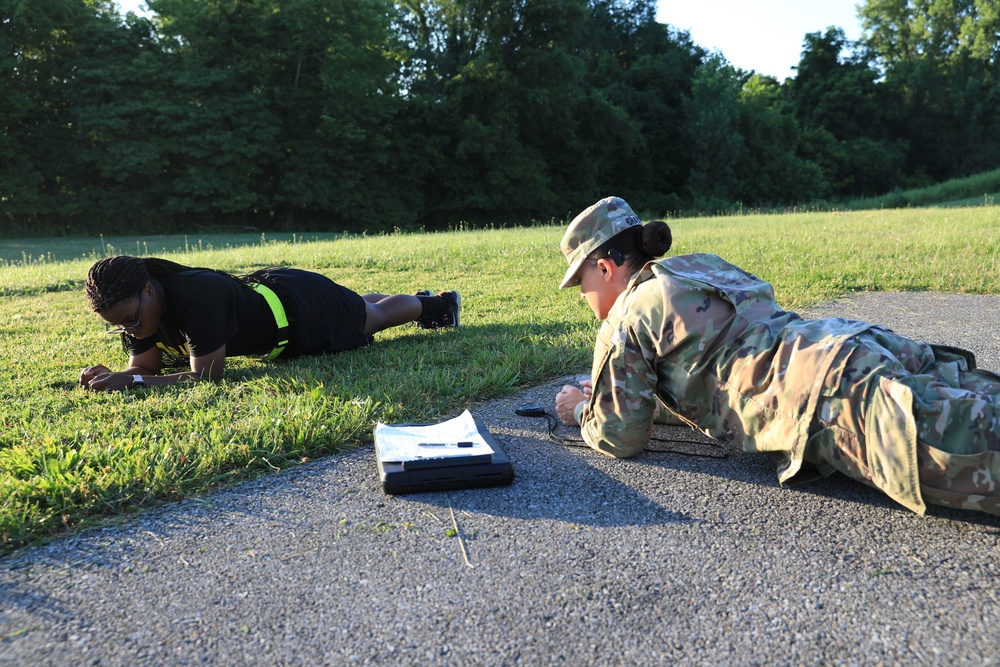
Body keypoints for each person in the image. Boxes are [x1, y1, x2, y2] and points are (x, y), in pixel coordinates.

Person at [554, 196, 1000, 517]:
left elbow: (618, 436)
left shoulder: (627, 316)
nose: (585, 295)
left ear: (606, 268)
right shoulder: (700, 266)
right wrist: (628, 396)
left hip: (834, 398)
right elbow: (711, 370)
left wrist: (580, 410)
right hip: (852, 345)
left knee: (978, 458)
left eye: (582, 283)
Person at [80, 255, 460, 392]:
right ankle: (423, 299)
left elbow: (207, 378)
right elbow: (145, 366)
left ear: (148, 290)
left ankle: (439, 305)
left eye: (131, 319)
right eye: (119, 326)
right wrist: (122, 375)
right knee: (359, 306)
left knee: (370, 319)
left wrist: (133, 382)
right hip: (275, 304)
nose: (130, 329)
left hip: (298, 310)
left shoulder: (196, 297)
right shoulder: (141, 311)